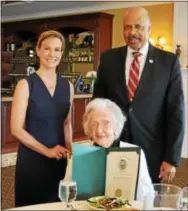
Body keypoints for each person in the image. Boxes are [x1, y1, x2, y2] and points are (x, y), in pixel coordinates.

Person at [93, 7, 185, 183]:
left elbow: (176, 113)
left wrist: (171, 158)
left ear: (149, 28)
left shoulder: (168, 62)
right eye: (127, 27)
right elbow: (97, 105)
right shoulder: (108, 59)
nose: (132, 32)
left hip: (152, 153)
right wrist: (98, 142)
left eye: (138, 26)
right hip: (113, 148)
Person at [11, 30, 73, 207]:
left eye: (57, 49)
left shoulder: (68, 86)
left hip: (59, 158)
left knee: (58, 204)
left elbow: (66, 123)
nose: (52, 54)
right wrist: (46, 151)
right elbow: (16, 129)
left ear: (61, 53)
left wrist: (70, 149)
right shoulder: (25, 85)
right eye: (47, 48)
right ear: (38, 50)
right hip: (32, 160)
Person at [82, 98, 154, 206]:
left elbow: (147, 193)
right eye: (94, 124)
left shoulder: (134, 153)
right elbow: (69, 188)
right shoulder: (80, 153)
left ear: (116, 125)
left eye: (106, 123)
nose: (99, 130)